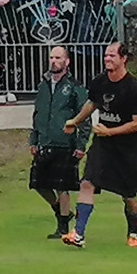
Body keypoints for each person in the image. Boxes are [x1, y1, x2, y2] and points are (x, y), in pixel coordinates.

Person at [61, 43, 137, 249]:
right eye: (106, 55)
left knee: (129, 196)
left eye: (112, 55)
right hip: (103, 146)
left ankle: (133, 233)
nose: (107, 59)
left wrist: (110, 131)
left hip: (129, 149)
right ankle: (79, 233)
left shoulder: (135, 89)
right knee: (87, 183)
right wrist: (75, 121)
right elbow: (92, 104)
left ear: (123, 58)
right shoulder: (99, 82)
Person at [30, 47, 91, 240]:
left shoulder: (74, 87)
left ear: (67, 62)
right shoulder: (44, 85)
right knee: (38, 184)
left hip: (66, 143)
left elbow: (85, 117)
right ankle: (60, 210)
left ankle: (63, 226)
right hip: (44, 141)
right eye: (51, 57)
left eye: (58, 57)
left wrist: (81, 145)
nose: (54, 61)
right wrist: (34, 139)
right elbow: (37, 114)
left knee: (61, 186)